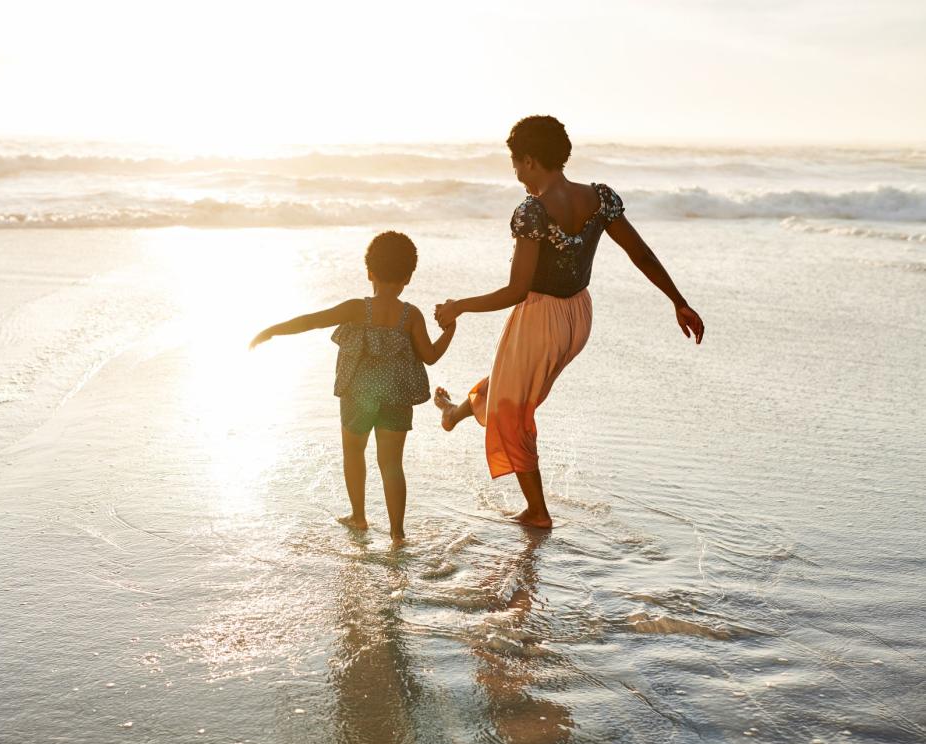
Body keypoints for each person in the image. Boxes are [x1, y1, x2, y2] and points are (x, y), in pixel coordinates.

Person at [433, 115, 705, 529]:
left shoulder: (532, 212)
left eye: (516, 167)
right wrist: (678, 301)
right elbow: (641, 253)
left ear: (528, 161)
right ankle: (454, 414)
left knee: (513, 411)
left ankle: (537, 512)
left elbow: (517, 290)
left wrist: (459, 307)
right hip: (578, 316)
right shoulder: (599, 197)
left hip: (541, 317)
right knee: (509, 386)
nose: (518, 178)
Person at [250, 231, 456, 546]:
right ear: (408, 277)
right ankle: (397, 534)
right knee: (391, 464)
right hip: (397, 398)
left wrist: (272, 330)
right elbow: (430, 356)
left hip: (358, 395)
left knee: (353, 452)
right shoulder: (410, 315)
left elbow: (311, 321)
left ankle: (359, 517)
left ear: (369, 272)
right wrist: (450, 329)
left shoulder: (356, 308)